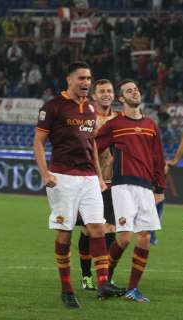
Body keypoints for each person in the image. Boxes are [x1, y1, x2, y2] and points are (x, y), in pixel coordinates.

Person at [33, 61, 123, 309]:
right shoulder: (53, 106)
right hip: (62, 176)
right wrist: (45, 173)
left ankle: (103, 282)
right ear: (69, 80)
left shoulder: (91, 108)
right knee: (65, 232)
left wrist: (96, 174)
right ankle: (67, 289)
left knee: (98, 229)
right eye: (81, 78)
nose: (86, 83)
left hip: (89, 179)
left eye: (88, 79)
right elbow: (38, 142)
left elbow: (92, 143)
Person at [96, 79, 166, 303]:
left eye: (136, 89)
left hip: (145, 187)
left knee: (144, 238)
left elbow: (158, 157)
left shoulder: (150, 125)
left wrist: (160, 187)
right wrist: (96, 175)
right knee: (124, 238)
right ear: (121, 98)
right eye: (129, 91)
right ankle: (105, 281)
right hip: (123, 185)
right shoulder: (115, 124)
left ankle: (132, 290)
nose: (134, 92)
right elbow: (92, 147)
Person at [76, 79, 120, 291]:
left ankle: (107, 277)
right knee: (88, 230)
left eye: (109, 91)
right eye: (102, 91)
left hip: (112, 183)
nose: (106, 94)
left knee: (110, 228)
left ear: (114, 95)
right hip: (90, 180)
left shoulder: (120, 119)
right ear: (94, 95)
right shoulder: (88, 117)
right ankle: (86, 276)